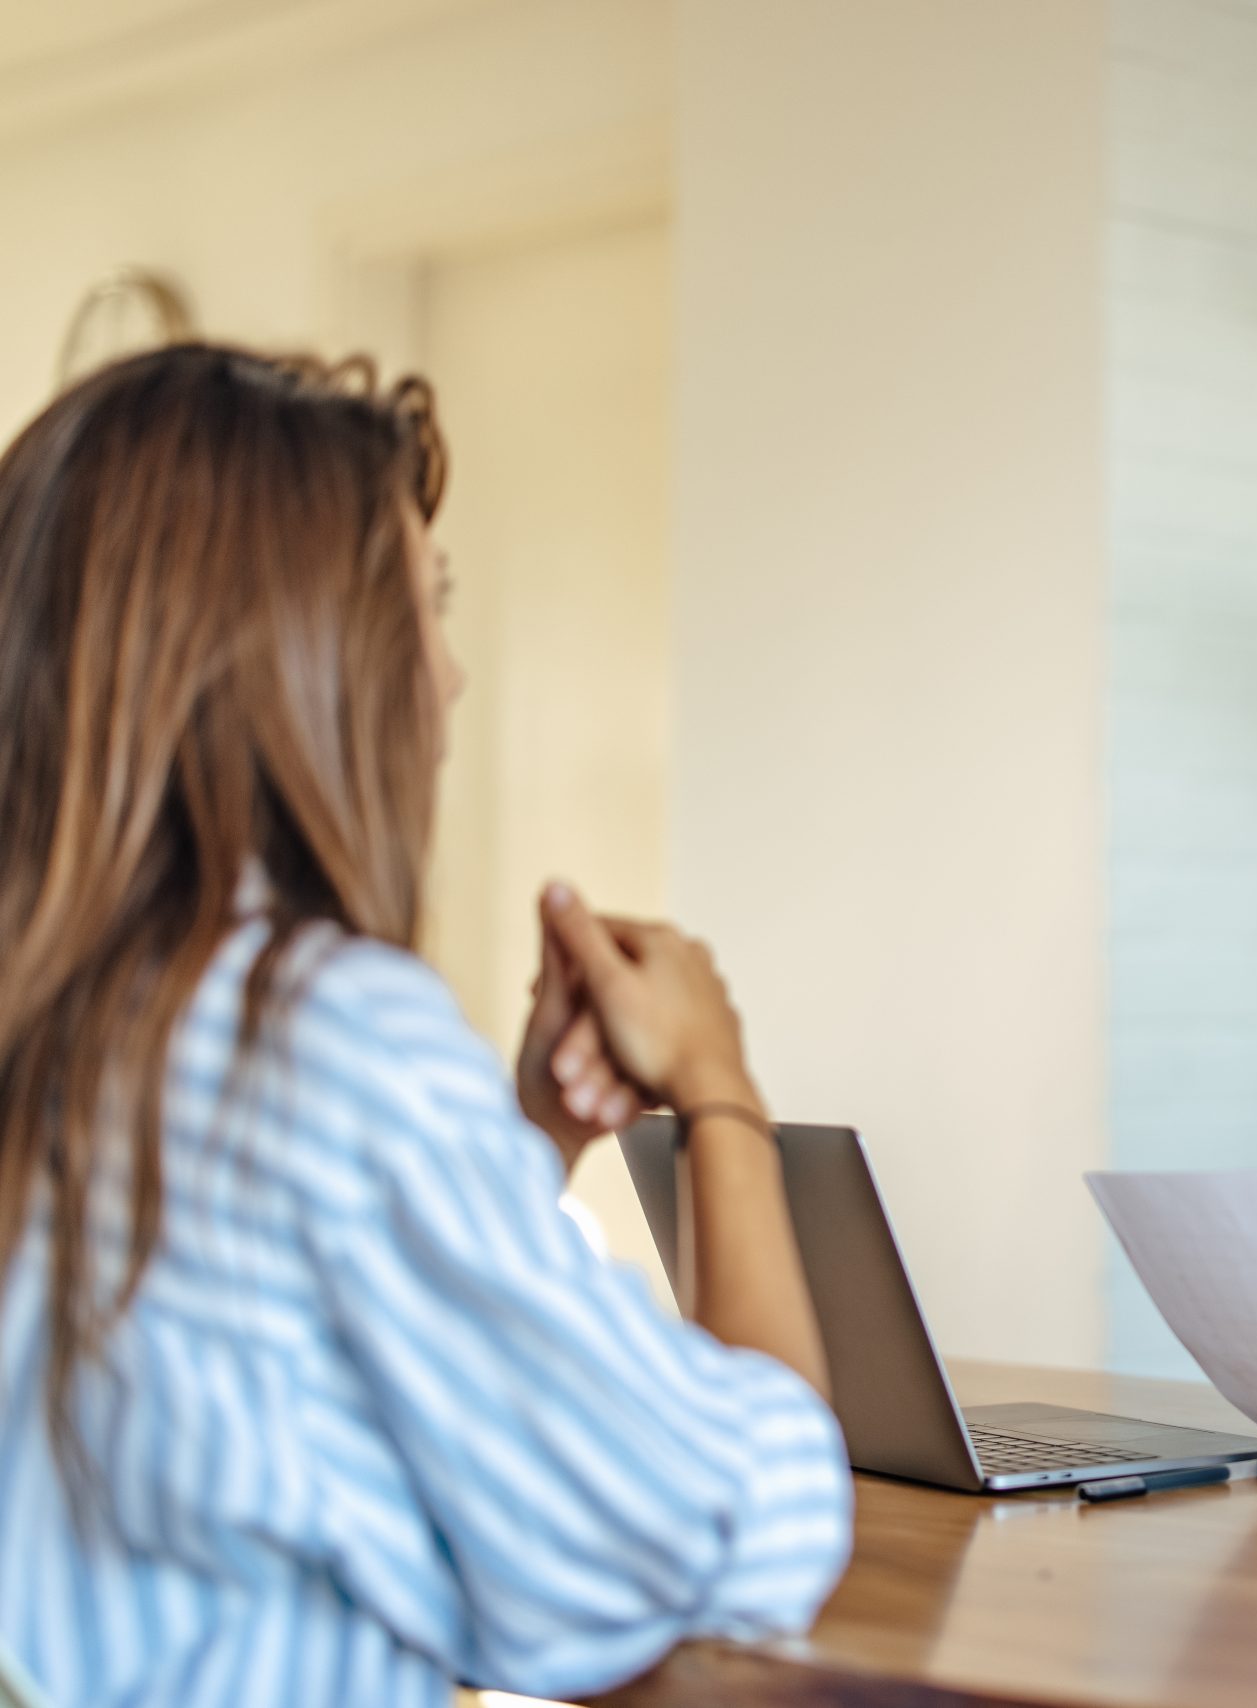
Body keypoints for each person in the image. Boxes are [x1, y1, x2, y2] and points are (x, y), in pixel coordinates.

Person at [0, 345, 851, 1705]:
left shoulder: (72, 1034)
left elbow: (307, 1406)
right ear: (295, 657)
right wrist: (717, 1084)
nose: (451, 680)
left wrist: (518, 1140)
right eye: (428, 609)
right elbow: (732, 1533)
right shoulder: (313, 1039)